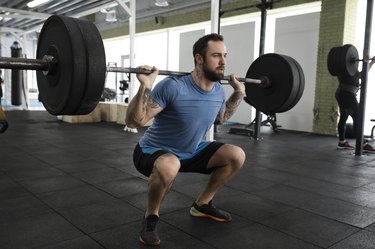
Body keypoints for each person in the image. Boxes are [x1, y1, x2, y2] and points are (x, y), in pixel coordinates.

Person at [125, 33, 246, 246]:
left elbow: (222, 118)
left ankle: (202, 204)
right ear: (199, 59)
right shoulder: (174, 86)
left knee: (236, 155)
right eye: (216, 56)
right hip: (152, 151)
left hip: (190, 151)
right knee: (170, 164)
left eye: (225, 56)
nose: (223, 62)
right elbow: (135, 122)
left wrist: (239, 93)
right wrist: (145, 85)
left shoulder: (218, 90)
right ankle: (150, 217)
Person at [335, 55, 375, 152]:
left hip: (342, 94)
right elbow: (362, 75)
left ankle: (342, 142)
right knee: (357, 118)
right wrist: (372, 62)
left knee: (344, 116)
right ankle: (362, 144)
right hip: (347, 95)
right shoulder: (348, 69)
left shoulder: (342, 68)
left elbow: (359, 75)